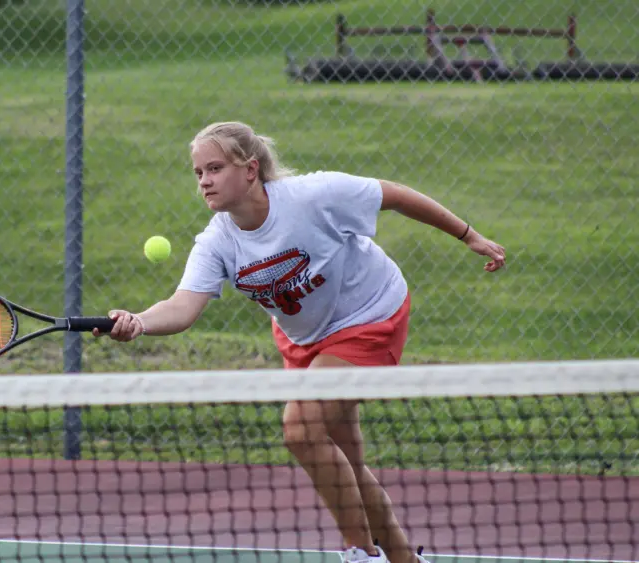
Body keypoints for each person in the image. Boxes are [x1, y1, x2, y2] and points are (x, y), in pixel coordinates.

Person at [94, 121, 507, 563]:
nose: (205, 181)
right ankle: (406, 560)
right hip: (305, 340)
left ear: (250, 169)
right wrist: (138, 321)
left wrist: (469, 235)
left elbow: (396, 196)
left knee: (300, 428)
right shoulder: (217, 242)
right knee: (345, 462)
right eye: (198, 173)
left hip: (369, 316)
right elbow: (182, 306)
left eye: (215, 168)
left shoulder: (314, 197)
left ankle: (361, 553)